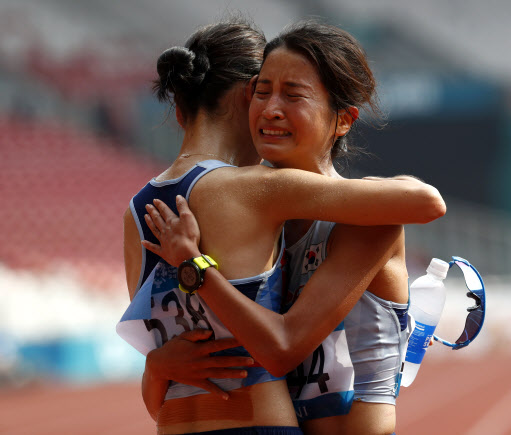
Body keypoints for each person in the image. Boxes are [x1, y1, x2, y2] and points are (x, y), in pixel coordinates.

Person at [133, 19, 445, 435]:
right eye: (261, 92)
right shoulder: (250, 215)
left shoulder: (370, 220)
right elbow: (190, 386)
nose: (270, 108)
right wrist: (157, 367)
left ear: (344, 120)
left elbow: (282, 347)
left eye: (293, 95)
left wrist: (195, 268)